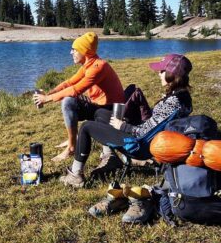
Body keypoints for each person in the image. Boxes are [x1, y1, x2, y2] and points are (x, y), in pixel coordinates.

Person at [59, 53, 193, 188]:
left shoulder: (172, 103)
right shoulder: (182, 97)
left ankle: (75, 176)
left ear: (173, 75)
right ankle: (110, 158)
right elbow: (155, 125)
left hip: (138, 146)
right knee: (100, 113)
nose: (159, 73)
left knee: (86, 127)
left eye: (163, 71)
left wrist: (122, 126)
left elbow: (143, 132)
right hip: (147, 139)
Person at [33, 31, 125, 162]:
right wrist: (49, 94)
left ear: (85, 51)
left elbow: (75, 90)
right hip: (98, 105)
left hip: (108, 111)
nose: (71, 53)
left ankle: (71, 147)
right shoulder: (88, 65)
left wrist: (46, 99)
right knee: (69, 101)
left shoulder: (98, 67)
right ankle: (72, 139)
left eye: (74, 50)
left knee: (68, 102)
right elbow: (69, 83)